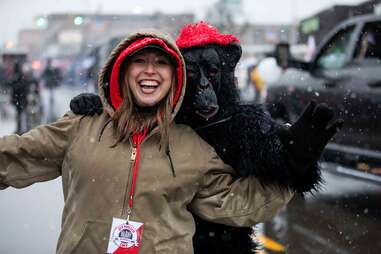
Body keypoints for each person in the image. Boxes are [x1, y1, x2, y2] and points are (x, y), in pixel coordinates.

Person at [0, 30, 293, 254]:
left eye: (161, 63)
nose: (150, 70)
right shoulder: (81, 125)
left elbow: (236, 203)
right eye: (139, 60)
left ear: (175, 76)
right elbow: (15, 156)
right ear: (122, 71)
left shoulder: (193, 145)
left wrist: (294, 166)